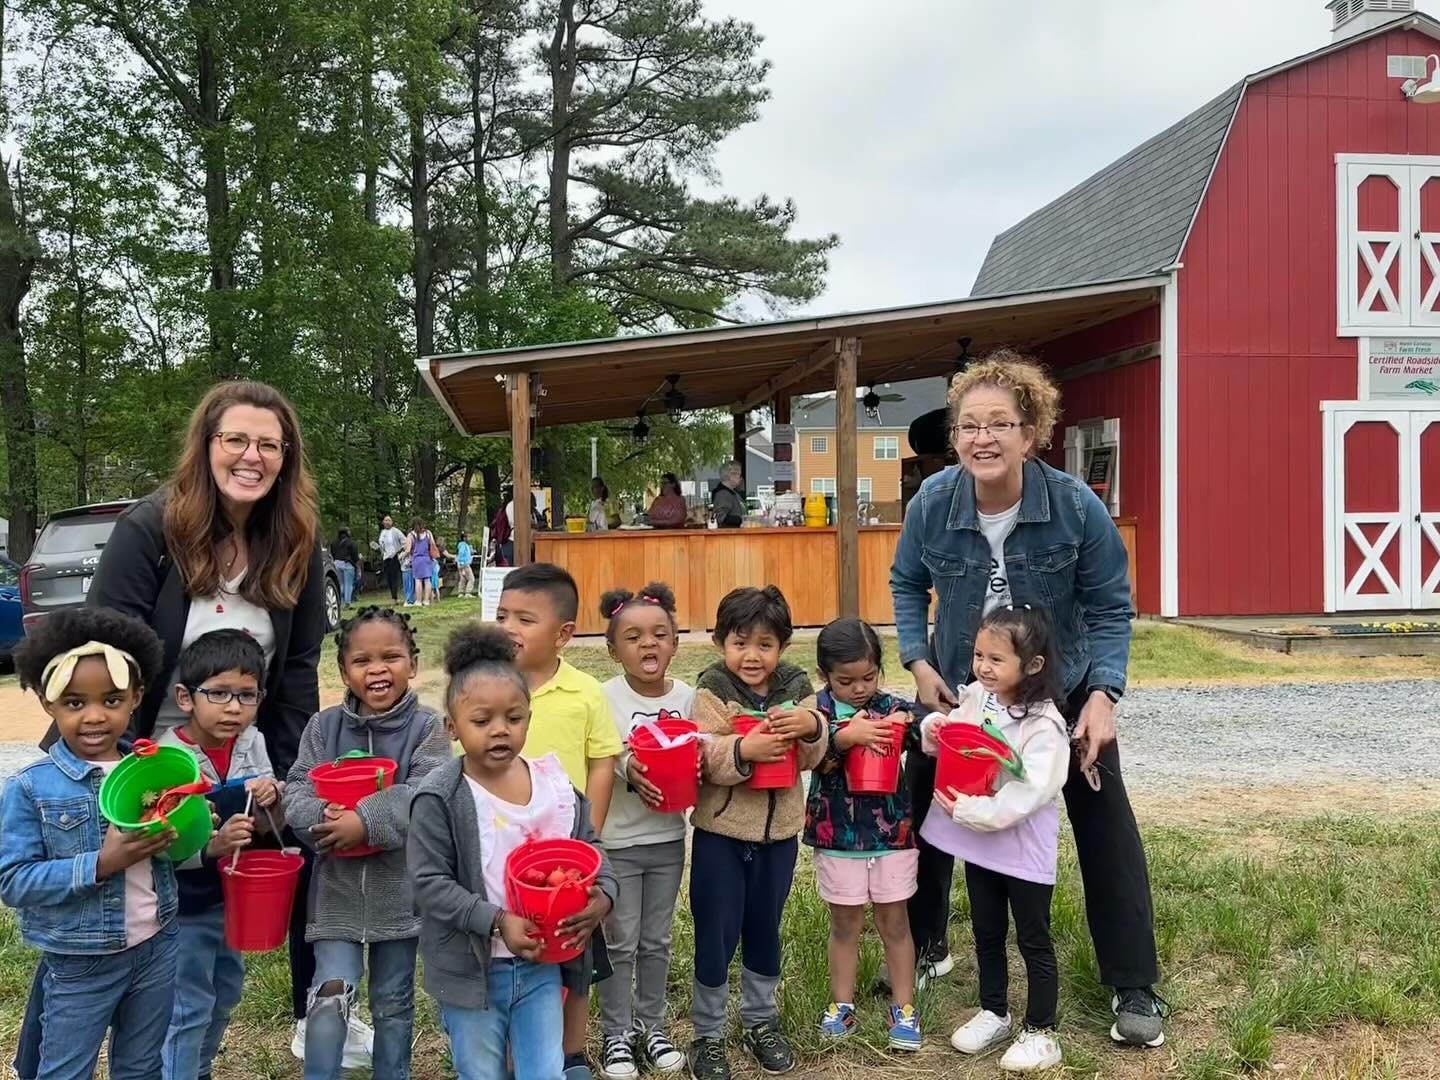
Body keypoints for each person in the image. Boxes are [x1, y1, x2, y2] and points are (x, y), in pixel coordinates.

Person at [889, 349, 1165, 1048]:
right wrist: (919, 663)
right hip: (963, 693)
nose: (983, 438)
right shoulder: (933, 502)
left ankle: (1133, 984)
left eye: (1000, 423)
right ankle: (927, 947)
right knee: (926, 804)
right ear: (955, 436)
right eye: (969, 425)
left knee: (1105, 822)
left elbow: (1109, 606)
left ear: (1031, 431)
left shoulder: (1075, 507)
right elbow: (904, 582)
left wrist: (1102, 695)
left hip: (1061, 691)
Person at [82, 379, 342, 1063]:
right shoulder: (151, 529)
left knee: (214, 940)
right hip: (147, 757)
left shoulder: (295, 542)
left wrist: (291, 778)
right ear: (207, 445)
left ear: (286, 458)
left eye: (269, 445)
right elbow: (108, 656)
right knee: (122, 932)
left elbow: (295, 672)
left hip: (237, 760)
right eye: (236, 440)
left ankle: (313, 1016)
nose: (251, 456)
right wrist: (118, 772)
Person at [408, 624, 619, 1080]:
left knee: (544, 1071)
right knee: (482, 1072)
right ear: (452, 727)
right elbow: (428, 884)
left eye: (514, 718)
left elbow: (590, 848)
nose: (500, 731)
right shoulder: (440, 797)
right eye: (482, 721)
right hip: (474, 973)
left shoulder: (553, 785)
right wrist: (497, 921)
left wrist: (603, 896)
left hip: (542, 965)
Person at [0, 607, 175, 1080]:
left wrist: (190, 832)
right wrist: (101, 862)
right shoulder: (31, 787)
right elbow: (13, 880)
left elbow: (168, 853)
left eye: (112, 700)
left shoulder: (149, 771)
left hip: (157, 943)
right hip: (81, 961)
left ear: (136, 697)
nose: (95, 716)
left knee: (141, 1066)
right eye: (75, 703)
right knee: (66, 1068)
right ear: (47, 702)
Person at [282, 606, 451, 1080]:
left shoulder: (427, 728)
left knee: (393, 1002)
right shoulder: (323, 728)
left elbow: (426, 794)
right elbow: (296, 788)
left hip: (400, 896)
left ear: (412, 664)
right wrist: (322, 817)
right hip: (334, 895)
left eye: (391, 656)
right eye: (362, 660)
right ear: (343, 671)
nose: (377, 668)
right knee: (328, 996)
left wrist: (365, 820)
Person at [686, 585, 827, 1080]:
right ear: (721, 643)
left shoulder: (795, 684)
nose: (752, 655)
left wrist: (811, 724)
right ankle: (707, 1034)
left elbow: (813, 756)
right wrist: (744, 752)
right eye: (740, 642)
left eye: (765, 644)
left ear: (783, 646)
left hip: (779, 834)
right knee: (716, 932)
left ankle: (761, 1021)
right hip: (721, 835)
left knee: (765, 926)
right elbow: (702, 755)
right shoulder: (711, 688)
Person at [921, 606, 1069, 1073]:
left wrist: (973, 810)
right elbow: (958, 735)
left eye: (996, 659)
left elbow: (1031, 792)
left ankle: (1042, 1031)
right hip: (983, 844)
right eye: (978, 655)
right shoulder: (980, 698)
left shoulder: (1044, 726)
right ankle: (994, 1010)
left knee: (1033, 937)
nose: (983, 666)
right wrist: (936, 728)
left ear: (1033, 665)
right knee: (987, 929)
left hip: (1021, 847)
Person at [496, 563, 622, 1080]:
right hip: (501, 848)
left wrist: (586, 836)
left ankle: (571, 1055)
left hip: (567, 854)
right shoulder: (485, 687)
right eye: (502, 615)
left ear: (564, 634)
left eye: (525, 619)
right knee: (512, 957)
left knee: (576, 950)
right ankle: (509, 1054)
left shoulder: (585, 692)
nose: (508, 628)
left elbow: (602, 761)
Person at [157, 629, 285, 1080]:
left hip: (233, 902)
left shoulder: (254, 743)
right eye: (219, 693)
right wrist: (211, 845)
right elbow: (161, 847)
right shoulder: (169, 759)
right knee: (188, 1004)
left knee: (226, 990)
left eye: (247, 695)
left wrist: (274, 798)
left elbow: (270, 828)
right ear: (185, 698)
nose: (234, 707)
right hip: (183, 907)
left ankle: (200, 1068)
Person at [803, 617, 922, 1052]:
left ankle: (904, 1008)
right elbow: (810, 750)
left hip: (892, 836)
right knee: (845, 923)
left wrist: (915, 721)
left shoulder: (890, 707)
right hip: (838, 837)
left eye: (868, 677)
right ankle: (841, 1004)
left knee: (895, 921)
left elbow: (919, 729)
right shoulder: (818, 711)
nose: (859, 688)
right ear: (824, 676)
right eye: (845, 680)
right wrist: (844, 737)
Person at [597, 583, 694, 1078]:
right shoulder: (604, 697)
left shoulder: (689, 698)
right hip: (617, 842)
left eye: (659, 634)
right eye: (633, 637)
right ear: (614, 649)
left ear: (675, 642)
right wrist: (626, 765)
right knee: (620, 940)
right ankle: (615, 1034)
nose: (648, 644)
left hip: (667, 840)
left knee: (656, 940)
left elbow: (707, 748)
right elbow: (602, 749)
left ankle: (651, 1025)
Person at [378, 515, 405, 602]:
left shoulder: (396, 531)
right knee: (388, 578)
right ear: (383, 522)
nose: (387, 522)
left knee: (394, 577)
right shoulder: (382, 533)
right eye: (385, 520)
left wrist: (399, 551)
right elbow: (381, 546)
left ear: (392, 522)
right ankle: (393, 596)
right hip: (386, 558)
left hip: (394, 557)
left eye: (389, 520)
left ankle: (395, 597)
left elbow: (404, 542)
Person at [710, 462, 745, 528]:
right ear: (732, 475)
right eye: (739, 475)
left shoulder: (730, 492)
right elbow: (720, 518)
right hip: (729, 535)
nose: (740, 478)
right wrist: (742, 519)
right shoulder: (723, 494)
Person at [331, 528, 360, 607]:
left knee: (340, 583)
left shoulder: (334, 543)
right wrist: (355, 562)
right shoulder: (351, 543)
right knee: (348, 584)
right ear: (347, 533)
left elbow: (332, 553)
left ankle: (341, 601)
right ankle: (348, 601)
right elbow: (355, 555)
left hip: (337, 563)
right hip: (348, 564)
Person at [455, 531, 476, 596]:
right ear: (464, 538)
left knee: (463, 579)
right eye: (468, 537)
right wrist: (460, 562)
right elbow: (461, 553)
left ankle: (461, 592)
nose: (469, 538)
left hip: (462, 563)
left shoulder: (463, 545)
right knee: (471, 578)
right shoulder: (463, 545)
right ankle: (468, 592)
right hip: (464, 563)